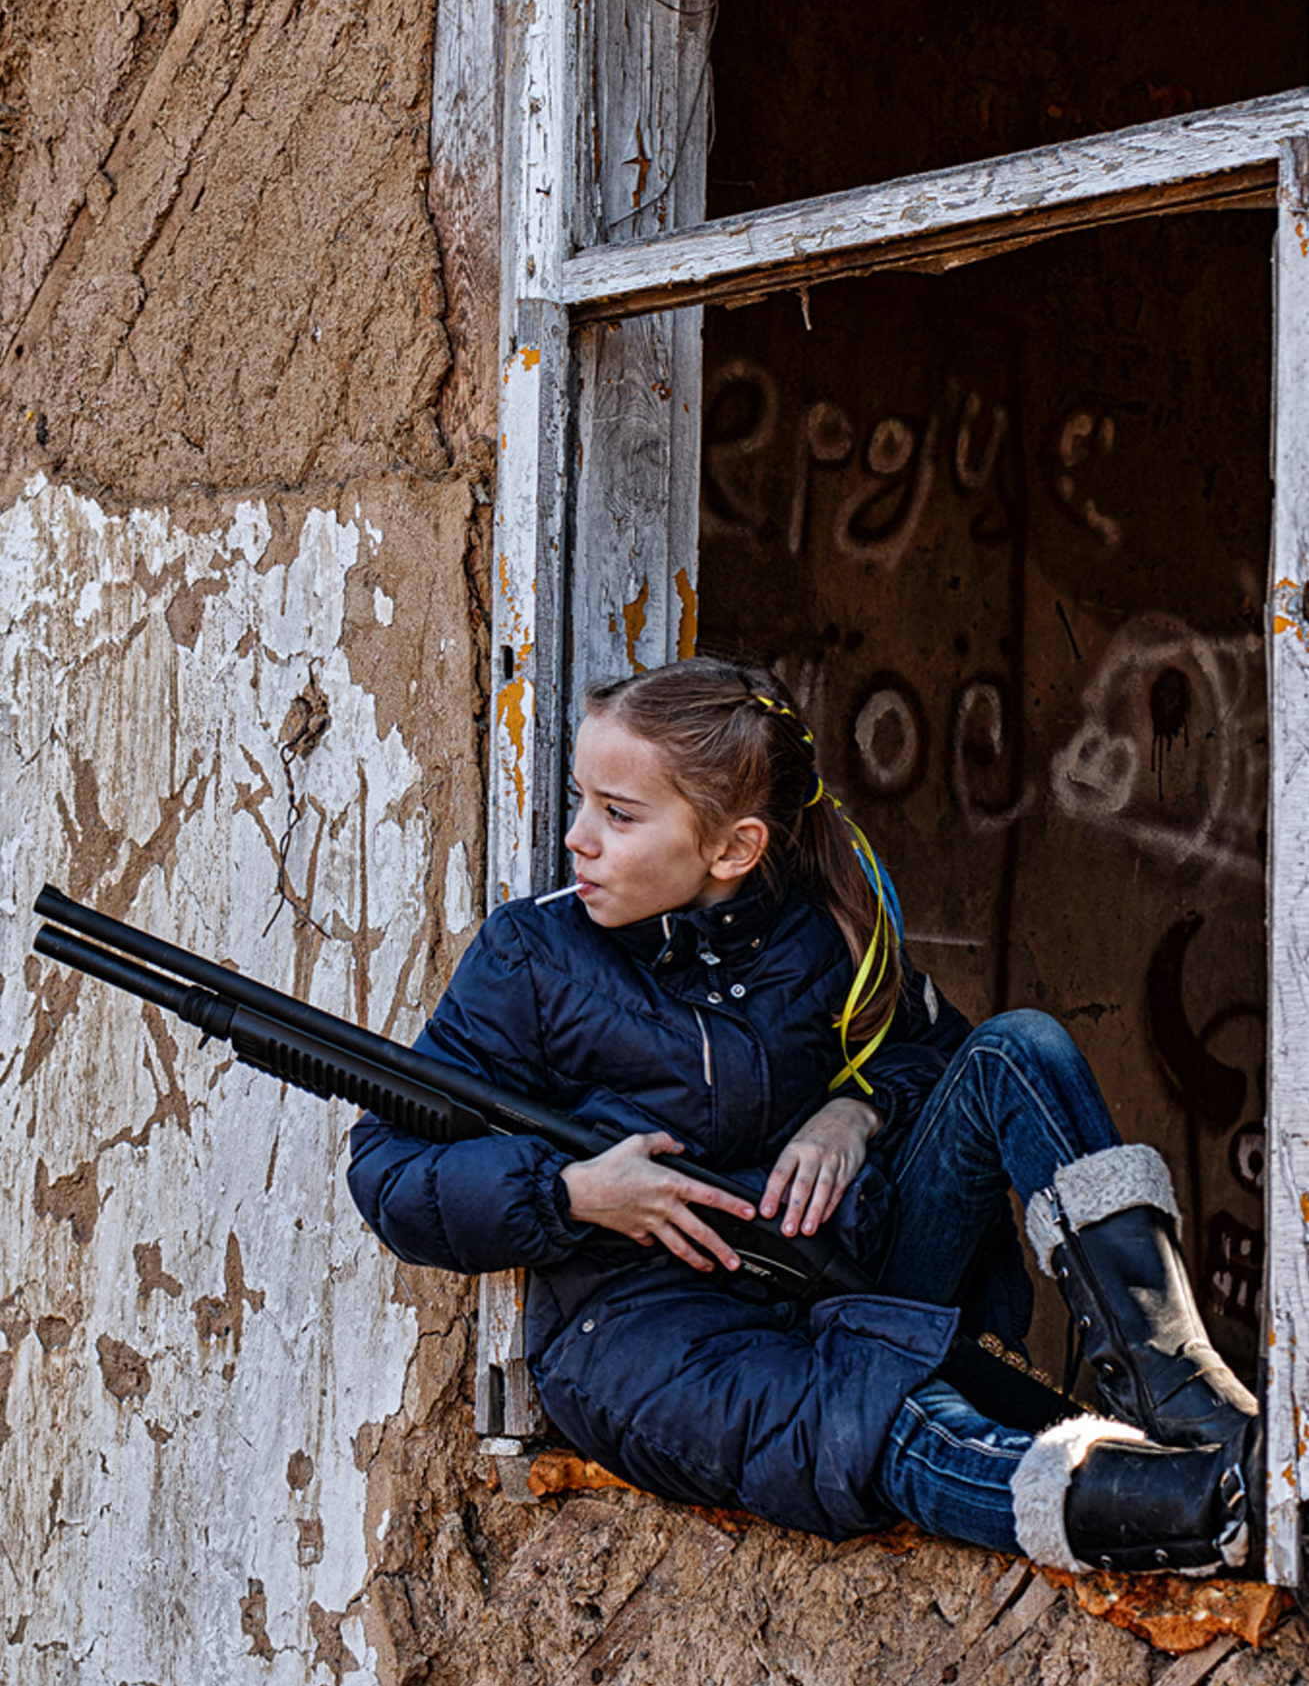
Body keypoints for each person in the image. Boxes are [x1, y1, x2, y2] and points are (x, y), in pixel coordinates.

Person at [348, 657, 1261, 1577]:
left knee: (1021, 1050)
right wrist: (571, 1192)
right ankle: (1191, 1514)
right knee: (869, 1418)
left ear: (733, 849)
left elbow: (936, 1054)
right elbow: (387, 1168)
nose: (577, 839)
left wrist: (855, 1109)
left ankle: (1193, 1411)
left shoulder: (820, 928)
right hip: (647, 1336)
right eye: (581, 801)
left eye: (618, 815)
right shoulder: (530, 956)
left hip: (845, 1267)